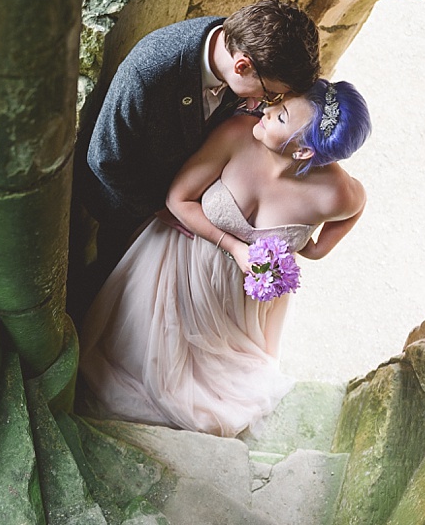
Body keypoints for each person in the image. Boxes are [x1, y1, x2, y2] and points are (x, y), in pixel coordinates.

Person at [78, 80, 371, 437]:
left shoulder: (337, 193)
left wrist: (313, 249)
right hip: (179, 263)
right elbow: (177, 199)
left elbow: (355, 208)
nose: (263, 111)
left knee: (217, 381)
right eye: (278, 104)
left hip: (236, 299)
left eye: (279, 117)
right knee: (140, 363)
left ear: (304, 153)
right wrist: (235, 247)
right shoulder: (237, 134)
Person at [77, 0, 321, 280]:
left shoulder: (238, 48)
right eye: (269, 93)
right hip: (129, 207)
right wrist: (160, 207)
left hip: (186, 200)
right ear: (242, 66)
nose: (265, 104)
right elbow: (104, 158)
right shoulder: (150, 70)